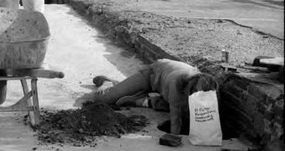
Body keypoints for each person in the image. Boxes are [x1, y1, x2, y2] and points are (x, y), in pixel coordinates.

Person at [89, 59, 219, 135]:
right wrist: (174, 137)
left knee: (183, 107)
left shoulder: (208, 86)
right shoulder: (178, 83)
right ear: (190, 87)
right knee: (102, 99)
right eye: (196, 93)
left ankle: (140, 99)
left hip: (165, 89)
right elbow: (176, 119)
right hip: (152, 75)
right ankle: (108, 83)